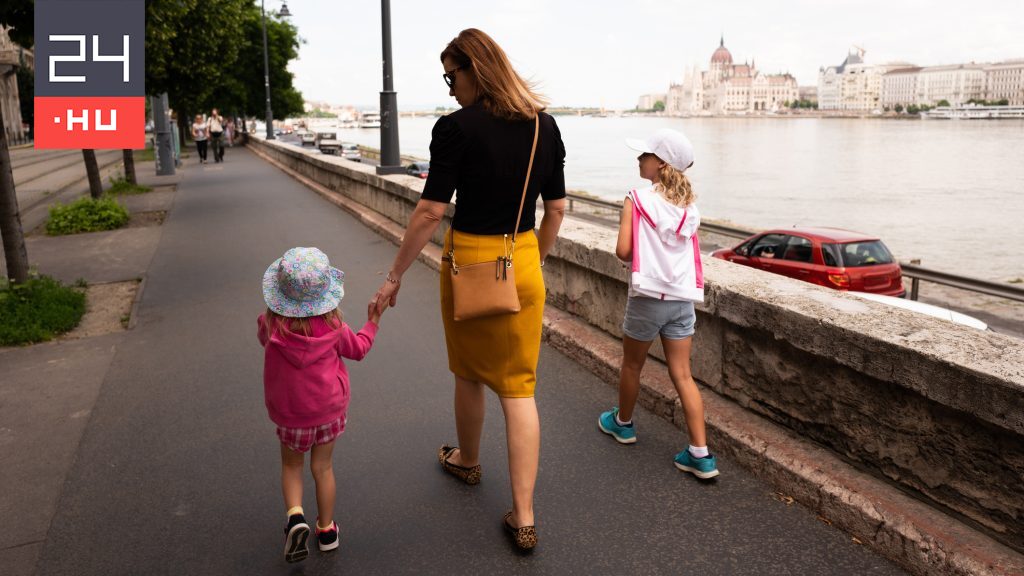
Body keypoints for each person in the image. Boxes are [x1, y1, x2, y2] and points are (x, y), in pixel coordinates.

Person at [371, 28, 565, 551]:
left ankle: (469, 460)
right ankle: (523, 516)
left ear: (475, 71)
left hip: (472, 263)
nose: (448, 87)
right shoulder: (544, 126)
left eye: (451, 75)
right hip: (522, 258)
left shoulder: (454, 129)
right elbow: (558, 209)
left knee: (469, 369)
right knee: (519, 386)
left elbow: (431, 210)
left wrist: (393, 278)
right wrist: (532, 261)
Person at [597, 129, 720, 480]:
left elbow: (623, 251)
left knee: (632, 366)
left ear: (661, 163)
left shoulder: (636, 199)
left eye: (645, 155)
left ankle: (623, 424)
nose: (639, 159)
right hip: (682, 300)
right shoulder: (689, 209)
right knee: (683, 374)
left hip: (648, 298)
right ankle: (701, 454)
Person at [258, 247, 383, 563]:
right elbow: (359, 349)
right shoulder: (334, 327)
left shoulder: (271, 325)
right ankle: (326, 530)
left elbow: (263, 337)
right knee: (323, 468)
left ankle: (295, 517)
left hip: (290, 414)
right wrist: (372, 322)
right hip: (328, 410)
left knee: (292, 466)